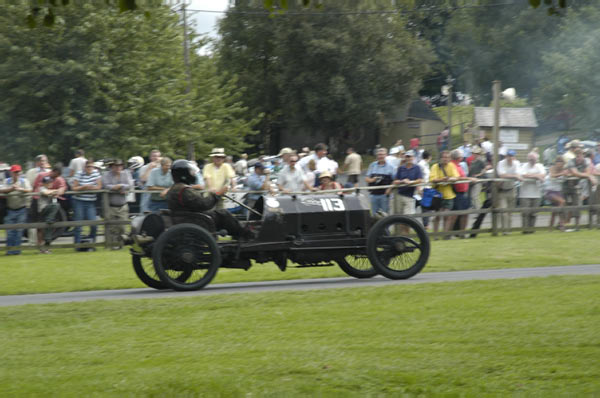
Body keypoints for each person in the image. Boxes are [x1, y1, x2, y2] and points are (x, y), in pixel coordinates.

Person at [167, 159, 252, 240]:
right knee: (223, 214)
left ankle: (239, 234)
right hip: (196, 221)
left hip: (189, 219)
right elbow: (205, 204)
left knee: (223, 214)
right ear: (184, 174)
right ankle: (246, 235)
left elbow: (196, 203)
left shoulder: (175, 188)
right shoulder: (184, 190)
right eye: (190, 172)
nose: (193, 174)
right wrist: (217, 194)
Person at [102, 159, 134, 250]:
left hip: (123, 205)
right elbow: (105, 185)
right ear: (112, 166)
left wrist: (120, 186)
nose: (118, 167)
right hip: (110, 205)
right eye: (115, 166)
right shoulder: (106, 174)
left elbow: (130, 184)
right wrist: (117, 187)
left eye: (120, 165)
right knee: (111, 227)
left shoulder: (126, 173)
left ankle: (121, 245)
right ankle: (112, 245)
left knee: (122, 227)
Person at [0, 165, 32, 255]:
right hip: (10, 210)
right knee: (9, 231)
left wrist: (21, 189)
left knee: (19, 231)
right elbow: (1, 190)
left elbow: (30, 190)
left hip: (22, 209)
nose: (17, 174)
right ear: (11, 173)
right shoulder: (7, 181)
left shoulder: (24, 181)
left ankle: (17, 251)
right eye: (15, 172)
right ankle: (9, 251)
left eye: (18, 172)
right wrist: (11, 189)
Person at [71, 160, 102, 250]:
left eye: (91, 167)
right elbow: (74, 188)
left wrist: (92, 188)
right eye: (88, 167)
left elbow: (99, 186)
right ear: (85, 167)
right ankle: (77, 245)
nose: (90, 168)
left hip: (90, 201)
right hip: (79, 201)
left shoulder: (96, 173)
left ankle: (92, 243)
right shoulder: (79, 173)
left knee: (93, 224)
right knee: (78, 224)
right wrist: (83, 187)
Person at [429, 150, 459, 237]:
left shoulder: (452, 166)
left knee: (447, 215)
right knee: (437, 216)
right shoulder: (435, 166)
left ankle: (445, 235)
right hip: (437, 195)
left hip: (449, 195)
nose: (445, 159)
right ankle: (435, 235)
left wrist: (449, 179)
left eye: (447, 157)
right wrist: (442, 179)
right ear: (441, 158)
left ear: (449, 158)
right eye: (444, 157)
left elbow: (456, 177)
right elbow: (432, 179)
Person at [565, 147, 596, 230]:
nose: (579, 158)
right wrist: (589, 176)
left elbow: (587, 172)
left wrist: (587, 175)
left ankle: (578, 226)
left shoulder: (585, 161)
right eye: (577, 156)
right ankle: (565, 224)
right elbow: (576, 173)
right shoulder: (571, 162)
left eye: (580, 156)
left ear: (583, 155)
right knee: (569, 205)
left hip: (579, 186)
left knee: (578, 204)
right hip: (567, 186)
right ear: (575, 156)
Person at [388, 150, 422, 216]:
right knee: (399, 217)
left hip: (410, 196)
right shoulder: (401, 168)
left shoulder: (417, 168)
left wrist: (410, 182)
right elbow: (395, 180)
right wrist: (402, 181)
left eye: (410, 157)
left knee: (409, 218)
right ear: (405, 158)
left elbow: (420, 180)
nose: (409, 158)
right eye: (407, 156)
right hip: (399, 195)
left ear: (413, 157)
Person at [518, 152, 546, 233]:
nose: (532, 161)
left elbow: (543, 175)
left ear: (537, 159)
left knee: (534, 213)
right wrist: (537, 176)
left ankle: (531, 230)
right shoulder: (524, 166)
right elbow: (522, 175)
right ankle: (525, 230)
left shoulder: (540, 166)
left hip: (536, 194)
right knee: (525, 213)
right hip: (525, 194)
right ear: (528, 159)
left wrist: (533, 175)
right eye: (530, 159)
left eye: (534, 159)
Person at [496, 149, 522, 234]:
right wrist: (514, 176)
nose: (510, 158)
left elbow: (519, 174)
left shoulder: (516, 163)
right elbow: (502, 175)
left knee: (510, 211)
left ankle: (509, 229)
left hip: (511, 189)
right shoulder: (501, 163)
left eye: (512, 156)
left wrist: (516, 176)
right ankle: (504, 230)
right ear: (506, 156)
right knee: (503, 211)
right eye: (509, 156)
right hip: (502, 190)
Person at [365, 148, 395, 214]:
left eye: (382, 154)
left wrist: (389, 190)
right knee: (374, 215)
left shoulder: (391, 167)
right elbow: (366, 179)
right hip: (373, 195)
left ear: (386, 155)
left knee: (385, 215)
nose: (380, 156)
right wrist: (373, 179)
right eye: (379, 155)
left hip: (384, 195)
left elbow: (394, 180)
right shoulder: (372, 165)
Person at [37, 176, 61, 254]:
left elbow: (53, 193)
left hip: (48, 212)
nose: (50, 184)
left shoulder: (50, 190)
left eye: (50, 182)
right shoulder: (42, 188)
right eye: (48, 182)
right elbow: (46, 192)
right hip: (43, 210)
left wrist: (54, 192)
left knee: (49, 228)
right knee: (56, 205)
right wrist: (55, 191)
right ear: (44, 183)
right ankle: (50, 220)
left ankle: (46, 249)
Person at [545, 156, 569, 231]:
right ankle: (561, 225)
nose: (559, 164)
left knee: (554, 212)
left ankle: (550, 228)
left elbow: (568, 175)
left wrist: (567, 174)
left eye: (561, 162)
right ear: (556, 163)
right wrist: (562, 173)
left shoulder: (564, 170)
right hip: (550, 191)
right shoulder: (552, 168)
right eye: (558, 162)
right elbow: (552, 175)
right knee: (562, 202)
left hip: (558, 192)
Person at [467, 146, 489, 210]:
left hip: (478, 181)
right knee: (471, 196)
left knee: (475, 196)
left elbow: (484, 170)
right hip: (471, 181)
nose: (475, 154)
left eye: (476, 153)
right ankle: (477, 210)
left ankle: (479, 211)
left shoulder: (481, 161)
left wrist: (478, 175)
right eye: (473, 153)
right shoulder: (472, 162)